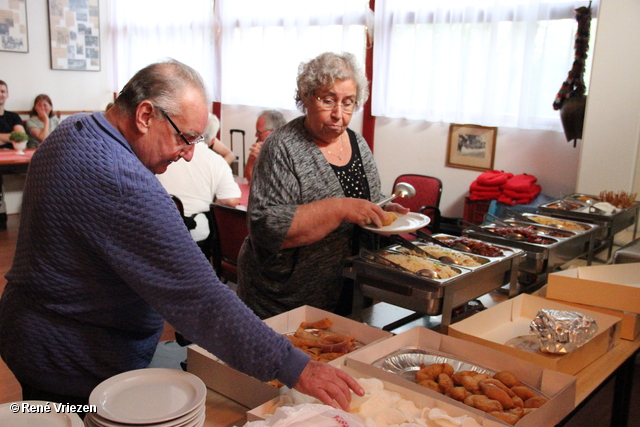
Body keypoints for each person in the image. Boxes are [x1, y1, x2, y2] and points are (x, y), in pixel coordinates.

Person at [0, 59, 363, 412]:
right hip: (72, 361)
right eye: (186, 138)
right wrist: (296, 367)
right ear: (145, 115)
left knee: (39, 414)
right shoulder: (123, 182)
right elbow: (200, 298)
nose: (189, 154)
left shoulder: (74, 128)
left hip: (34, 335)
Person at [237, 52, 409, 319]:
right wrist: (339, 209)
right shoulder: (283, 147)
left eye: (348, 103)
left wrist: (384, 209)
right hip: (285, 298)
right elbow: (267, 227)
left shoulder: (358, 144)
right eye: (328, 101)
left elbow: (367, 201)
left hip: (349, 290)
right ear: (306, 97)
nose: (338, 114)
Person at [156, 111, 241, 251]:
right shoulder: (216, 161)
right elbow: (231, 201)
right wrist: (212, 200)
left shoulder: (169, 152)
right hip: (196, 236)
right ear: (213, 140)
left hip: (160, 229)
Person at [243, 109, 286, 182]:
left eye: (259, 132)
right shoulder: (260, 145)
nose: (256, 135)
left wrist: (266, 157)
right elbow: (249, 178)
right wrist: (251, 159)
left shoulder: (287, 149)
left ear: (273, 132)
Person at [0, 80, 26, 149]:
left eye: (2, 92)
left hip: (13, 154)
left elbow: (21, 137)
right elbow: (16, 137)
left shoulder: (14, 116)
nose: (0, 94)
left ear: (7, 95)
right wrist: (12, 138)